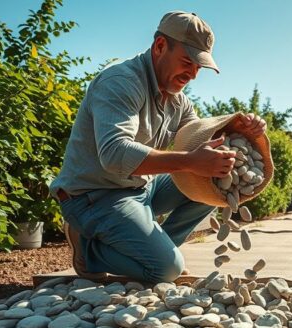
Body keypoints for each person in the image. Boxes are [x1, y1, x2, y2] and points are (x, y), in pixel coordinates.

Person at [49, 11, 266, 283]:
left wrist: (240, 129)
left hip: (140, 188)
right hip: (95, 197)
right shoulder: (121, 82)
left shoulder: (177, 100)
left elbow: (200, 138)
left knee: (212, 183)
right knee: (166, 271)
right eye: (188, 62)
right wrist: (190, 161)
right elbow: (114, 154)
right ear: (160, 46)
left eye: (199, 67)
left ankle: (161, 249)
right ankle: (89, 249)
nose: (193, 75)